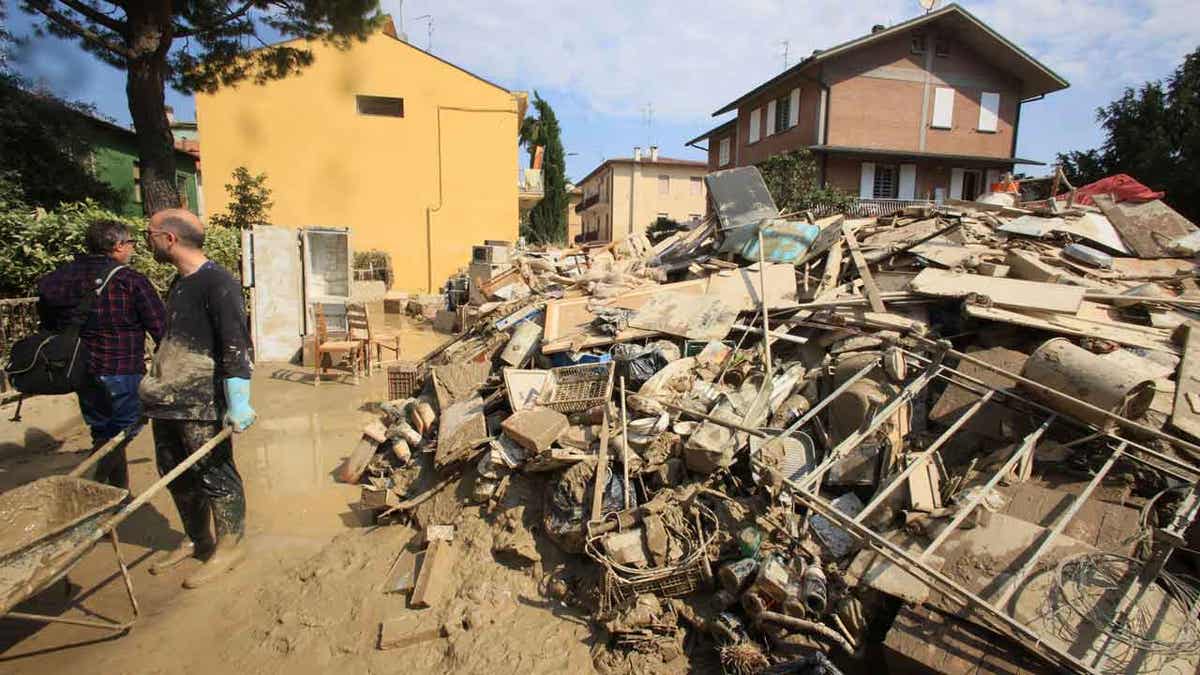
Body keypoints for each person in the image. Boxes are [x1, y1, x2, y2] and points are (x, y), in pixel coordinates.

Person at [138, 208, 256, 589]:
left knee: (214, 475)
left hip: (202, 401)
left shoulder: (218, 283)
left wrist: (238, 401)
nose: (147, 239)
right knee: (174, 472)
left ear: (169, 238)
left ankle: (232, 545)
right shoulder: (180, 282)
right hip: (169, 398)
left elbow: (236, 344)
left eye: (150, 233)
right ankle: (196, 537)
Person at [37, 219, 166, 489]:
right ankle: (91, 485)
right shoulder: (130, 280)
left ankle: (115, 495)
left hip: (80, 371)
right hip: (122, 370)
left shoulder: (57, 279)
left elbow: (48, 323)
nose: (133, 249)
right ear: (118, 245)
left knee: (104, 432)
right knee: (121, 434)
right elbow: (161, 328)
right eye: (131, 243)